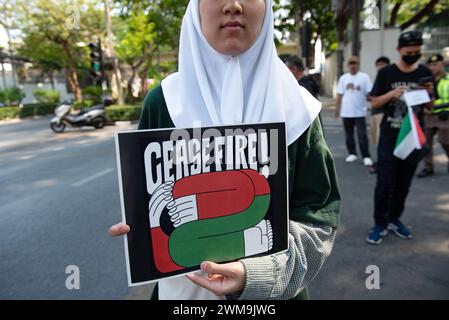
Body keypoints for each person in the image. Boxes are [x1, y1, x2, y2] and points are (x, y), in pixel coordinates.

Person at [109, 0, 340, 300]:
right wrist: (139, 224)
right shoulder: (163, 102)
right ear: (196, 9)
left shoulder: (299, 110)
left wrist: (257, 277)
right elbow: (150, 201)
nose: (233, 5)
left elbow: (318, 220)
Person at [367, 31, 434, 245]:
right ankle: (379, 223)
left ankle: (395, 218)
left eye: (417, 52)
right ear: (399, 50)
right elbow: (374, 103)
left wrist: (430, 93)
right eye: (409, 52)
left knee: (404, 183)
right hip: (389, 136)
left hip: (413, 138)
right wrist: (391, 95)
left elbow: (430, 108)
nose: (413, 55)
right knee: (384, 183)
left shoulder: (425, 72)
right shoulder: (386, 72)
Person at [335, 56, 374, 166]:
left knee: (362, 135)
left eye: (355, 63)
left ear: (358, 64)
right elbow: (339, 94)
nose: (353, 65)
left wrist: (375, 102)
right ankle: (352, 153)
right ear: (348, 65)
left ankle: (366, 155)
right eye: (351, 63)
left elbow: (369, 93)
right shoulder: (343, 78)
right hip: (346, 112)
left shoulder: (364, 77)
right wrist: (337, 109)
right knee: (349, 134)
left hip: (359, 112)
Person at [416, 54, 449, 178]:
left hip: (445, 115)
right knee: (426, 143)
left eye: (436, 64)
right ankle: (428, 167)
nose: (433, 67)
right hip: (429, 115)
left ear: (442, 64)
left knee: (445, 141)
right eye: (431, 64)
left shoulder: (448, 79)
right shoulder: (426, 80)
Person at [369, 56, 391, 174]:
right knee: (377, 141)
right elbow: (373, 96)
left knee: (381, 140)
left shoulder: (389, 79)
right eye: (379, 64)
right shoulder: (379, 78)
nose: (380, 66)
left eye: (383, 64)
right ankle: (381, 162)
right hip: (375, 112)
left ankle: (381, 164)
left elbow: (376, 98)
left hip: (383, 113)